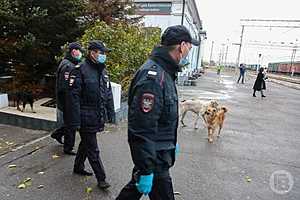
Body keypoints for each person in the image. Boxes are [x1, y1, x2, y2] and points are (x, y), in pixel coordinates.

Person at [116, 25, 200, 200]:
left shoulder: (165, 73)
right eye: (189, 49)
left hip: (158, 152)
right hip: (154, 159)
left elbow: (162, 118)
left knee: (133, 191)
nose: (188, 54)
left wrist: (171, 142)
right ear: (182, 46)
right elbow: (142, 128)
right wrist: (146, 169)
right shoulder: (153, 77)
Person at [65, 40, 115, 189]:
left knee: (86, 143)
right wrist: (75, 122)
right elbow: (72, 98)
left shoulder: (102, 71)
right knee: (93, 148)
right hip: (84, 116)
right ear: (92, 53)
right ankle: (102, 178)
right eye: (102, 53)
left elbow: (108, 93)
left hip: (96, 115)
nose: (104, 56)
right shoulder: (79, 70)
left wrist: (110, 113)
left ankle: (78, 166)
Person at [51, 42, 83, 155]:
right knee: (72, 124)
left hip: (68, 100)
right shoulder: (68, 66)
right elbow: (66, 87)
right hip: (69, 100)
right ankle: (68, 148)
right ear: (74, 51)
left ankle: (57, 134)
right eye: (80, 51)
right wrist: (70, 103)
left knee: (71, 122)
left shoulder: (69, 63)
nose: (81, 54)